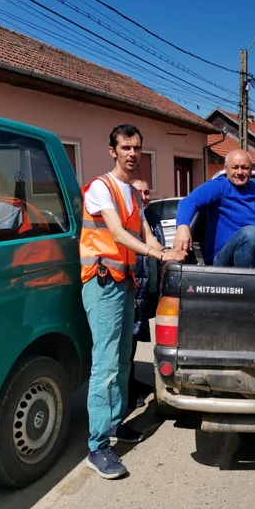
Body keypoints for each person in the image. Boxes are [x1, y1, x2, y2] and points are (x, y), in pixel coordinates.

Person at [80, 124, 187, 480]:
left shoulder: (128, 190)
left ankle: (115, 424)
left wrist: (166, 250)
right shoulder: (102, 188)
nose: (132, 153)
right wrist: (160, 254)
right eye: (125, 147)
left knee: (124, 361)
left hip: (123, 282)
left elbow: (141, 228)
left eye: (137, 148)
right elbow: (117, 233)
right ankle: (97, 446)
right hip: (102, 283)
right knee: (106, 364)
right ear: (113, 150)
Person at [129, 178, 164, 409]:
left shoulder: (152, 218)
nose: (144, 196)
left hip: (148, 291)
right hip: (133, 290)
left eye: (147, 192)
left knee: (134, 337)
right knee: (128, 342)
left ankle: (132, 382)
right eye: (138, 192)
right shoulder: (127, 221)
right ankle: (127, 392)